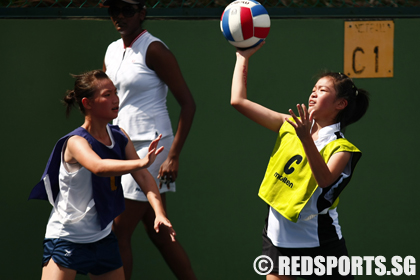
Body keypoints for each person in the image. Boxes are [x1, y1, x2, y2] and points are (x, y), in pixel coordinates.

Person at [230, 42, 369, 280]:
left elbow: (324, 179)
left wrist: (306, 139)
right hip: (278, 235)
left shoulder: (342, 148)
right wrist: (243, 57)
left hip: (319, 240)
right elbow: (238, 101)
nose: (314, 92)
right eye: (314, 88)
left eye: (323, 90)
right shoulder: (291, 125)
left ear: (341, 104)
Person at [29, 70, 175, 280]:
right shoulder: (76, 142)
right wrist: (140, 162)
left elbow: (142, 177)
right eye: (107, 95)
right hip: (67, 239)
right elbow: (98, 166)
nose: (116, 99)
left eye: (115, 92)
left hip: (103, 239)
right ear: (88, 103)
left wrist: (159, 212)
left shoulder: (119, 136)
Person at [102, 0, 197, 279]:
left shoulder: (154, 49)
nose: (120, 16)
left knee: (118, 231)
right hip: (122, 147)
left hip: (152, 150)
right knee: (159, 230)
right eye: (113, 11)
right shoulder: (111, 49)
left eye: (127, 10)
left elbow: (188, 104)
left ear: (142, 14)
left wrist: (174, 155)